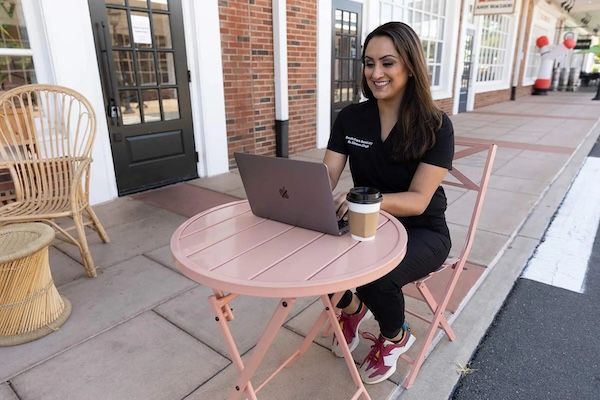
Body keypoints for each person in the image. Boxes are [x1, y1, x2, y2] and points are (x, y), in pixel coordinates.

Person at [324, 21, 454, 385]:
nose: (375, 73)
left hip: (423, 230)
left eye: (387, 63)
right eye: (369, 63)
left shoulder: (436, 125)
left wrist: (364, 204)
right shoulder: (351, 118)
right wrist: (303, 198)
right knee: (311, 251)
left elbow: (417, 201)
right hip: (369, 224)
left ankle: (396, 336)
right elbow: (326, 177)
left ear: (409, 66)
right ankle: (352, 308)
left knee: (373, 274)